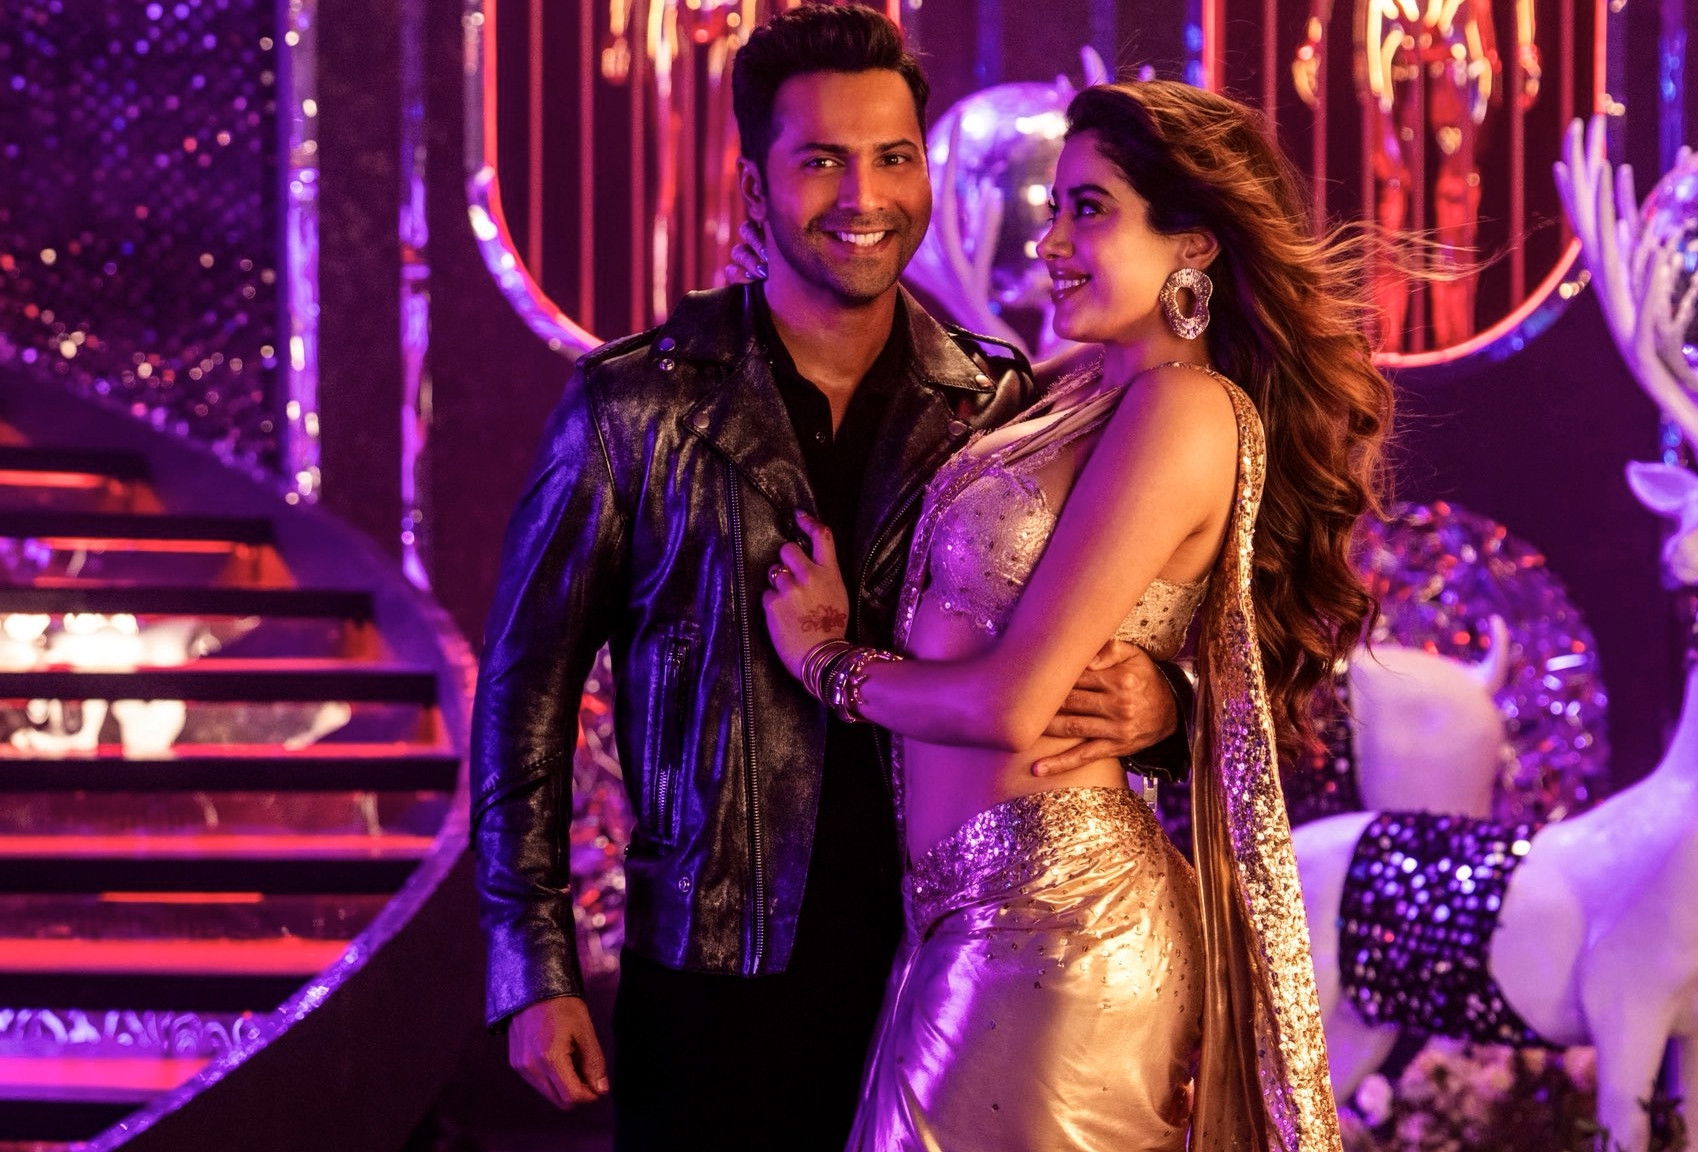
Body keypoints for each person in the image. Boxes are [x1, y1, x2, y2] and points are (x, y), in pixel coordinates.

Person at [468, 8, 1189, 1149]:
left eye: (893, 157)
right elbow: (525, 697)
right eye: (821, 161)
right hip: (713, 972)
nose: (865, 196)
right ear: (755, 189)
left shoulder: (1002, 406)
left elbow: (1119, 615)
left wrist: (1165, 706)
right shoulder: (633, 406)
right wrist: (532, 962)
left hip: (952, 956)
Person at [760, 80, 1396, 1150]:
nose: (1049, 241)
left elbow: (1010, 705)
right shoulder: (1079, 390)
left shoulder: (1184, 409)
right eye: (1054, 207)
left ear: (1192, 244)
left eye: (1089, 210)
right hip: (973, 927)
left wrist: (826, 659)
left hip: (1059, 931)